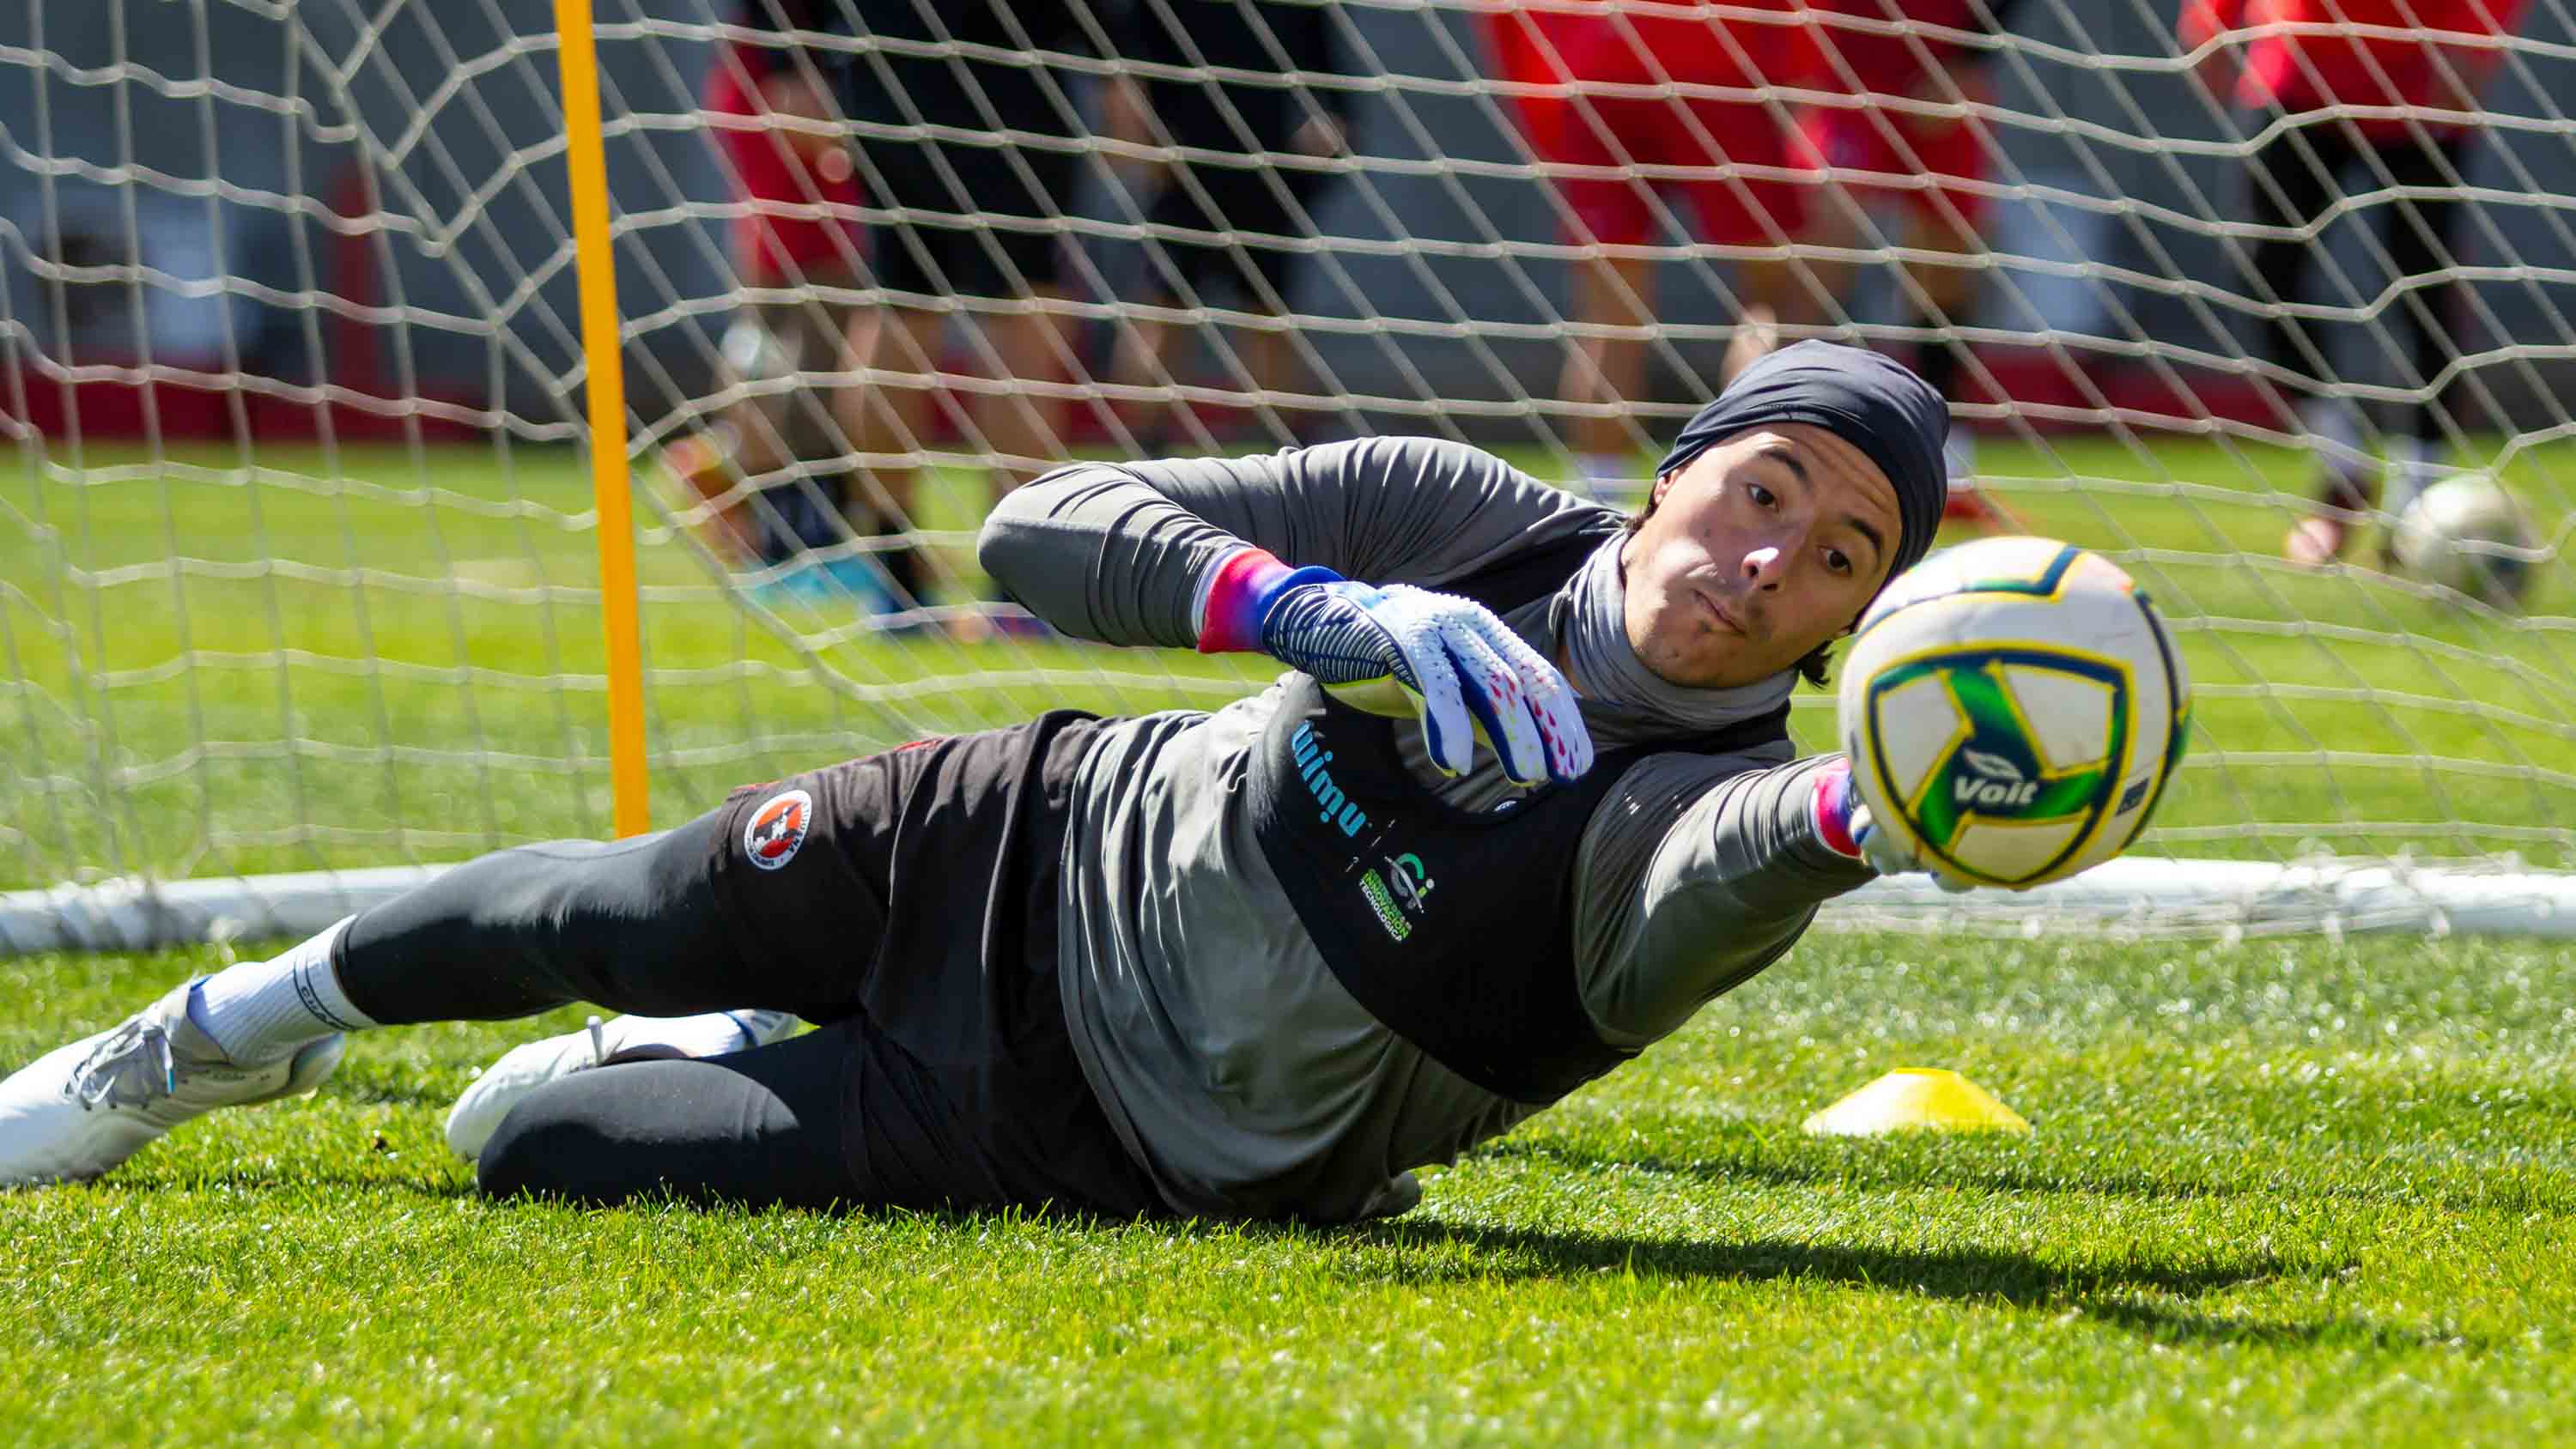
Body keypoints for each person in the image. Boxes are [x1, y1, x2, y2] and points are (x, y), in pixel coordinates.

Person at [1, 343, 1979, 1223]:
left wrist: (1872, 814)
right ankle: (196, 1040)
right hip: (1022, 829)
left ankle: (739, 1037)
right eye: (1761, 488)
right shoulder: (1456, 524)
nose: (1757, 562)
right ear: (1680, 465)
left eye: (1833, 558)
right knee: (595, 910)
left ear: (1846, 629)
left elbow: (1718, 879)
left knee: (531, 1149)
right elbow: (1039, 526)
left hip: (1072, 1130)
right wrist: (1314, 607)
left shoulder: (1708, 808)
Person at [2176, 0, 2531, 566]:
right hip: (2297, 81)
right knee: (2262, 274)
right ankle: (2341, 466)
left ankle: (2418, 499)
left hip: (2423, 84)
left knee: (2425, 288)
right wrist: (2213, 16)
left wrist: (2477, 49)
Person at [820, 0, 1105, 613]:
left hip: (886, 78)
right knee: (1022, 313)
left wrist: (788, 60)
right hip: (1007, 81)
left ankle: (894, 576)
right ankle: (1016, 581)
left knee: (900, 306)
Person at [1485, 0, 1834, 499]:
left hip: (1593, 72)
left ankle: (1597, 501)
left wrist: (1539, 101)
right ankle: (1755, 482)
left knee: (1611, 315)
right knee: (1774, 299)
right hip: (1715, 64)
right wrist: (1799, 78)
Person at [663, 0, 878, 586]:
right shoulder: (784, 52)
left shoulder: (743, 55)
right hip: (810, 243)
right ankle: (800, 543)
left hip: (768, 240)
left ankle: (747, 501)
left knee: (770, 377)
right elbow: (806, 127)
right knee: (807, 385)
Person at [1801, 0, 2026, 520]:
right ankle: (1763, 441)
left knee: (1947, 269)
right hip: (1840, 66)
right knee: (1807, 271)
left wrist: (1965, 60)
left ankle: (1947, 461)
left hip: (1939, 66)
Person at [1102, 0, 1357, 451]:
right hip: (1181, 170)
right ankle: (1144, 443)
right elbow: (1127, 66)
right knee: (1163, 308)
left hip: (1268, 171)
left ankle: (1288, 447)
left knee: (1267, 314)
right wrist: (1136, 141)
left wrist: (1329, 130)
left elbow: (1329, 80)